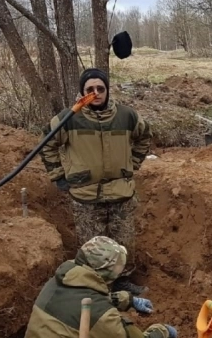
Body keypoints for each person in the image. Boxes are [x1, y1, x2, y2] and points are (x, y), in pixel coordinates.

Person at [40, 68, 152, 295]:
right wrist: (59, 176)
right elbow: (47, 144)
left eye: (100, 89)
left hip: (122, 194)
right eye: (90, 89)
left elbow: (144, 137)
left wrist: (133, 164)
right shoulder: (68, 118)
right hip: (86, 196)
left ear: (107, 90)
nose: (96, 93)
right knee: (92, 247)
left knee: (124, 242)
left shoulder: (126, 116)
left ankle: (122, 282)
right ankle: (96, 288)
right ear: (82, 92)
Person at [20, 236, 177, 338]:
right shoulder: (96, 312)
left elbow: (80, 303)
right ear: (105, 271)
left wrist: (126, 300)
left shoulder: (59, 281)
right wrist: (162, 331)